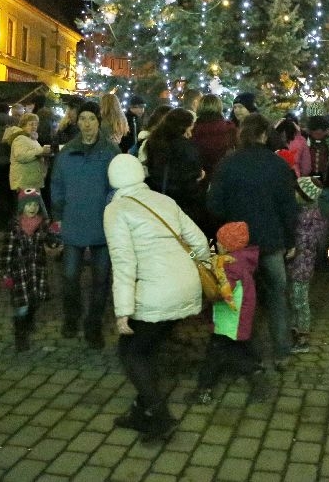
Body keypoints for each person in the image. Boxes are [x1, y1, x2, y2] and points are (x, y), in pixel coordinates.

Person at [104, 154, 210, 443]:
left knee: (131, 351)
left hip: (157, 293)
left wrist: (123, 311)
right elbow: (199, 242)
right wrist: (206, 271)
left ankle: (159, 415)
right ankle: (142, 410)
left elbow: (124, 262)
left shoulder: (116, 211)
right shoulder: (164, 201)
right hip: (186, 286)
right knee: (145, 347)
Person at [208, 113, 299, 367]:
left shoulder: (228, 164)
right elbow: (288, 208)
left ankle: (250, 353)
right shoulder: (278, 165)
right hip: (271, 242)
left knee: (242, 297)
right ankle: (281, 351)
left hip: (238, 244)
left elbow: (214, 205)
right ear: (263, 134)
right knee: (277, 296)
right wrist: (291, 240)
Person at [51, 101, 120, 346]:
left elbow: (118, 186)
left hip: (102, 225)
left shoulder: (110, 152)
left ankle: (93, 323)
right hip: (74, 223)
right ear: (77, 122)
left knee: (101, 279)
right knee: (70, 276)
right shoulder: (67, 152)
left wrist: (111, 208)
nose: (87, 124)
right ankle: (72, 317)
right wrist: (58, 215)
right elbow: (57, 186)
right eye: (83, 119)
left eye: (91, 118)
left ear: (98, 121)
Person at [191, 221, 270, 405]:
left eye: (219, 242)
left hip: (230, 318)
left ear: (229, 245)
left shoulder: (229, 265)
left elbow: (222, 290)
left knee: (218, 352)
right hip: (238, 315)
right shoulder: (242, 259)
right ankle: (257, 374)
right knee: (238, 348)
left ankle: (205, 390)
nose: (216, 245)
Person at [1, 189, 53, 352]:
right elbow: (7, 251)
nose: (32, 208)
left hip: (36, 270)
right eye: (28, 204)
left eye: (35, 205)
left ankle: (29, 320)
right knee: (21, 305)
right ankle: (20, 334)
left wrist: (55, 239)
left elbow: (49, 241)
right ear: (21, 207)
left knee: (34, 300)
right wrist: (6, 273)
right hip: (20, 273)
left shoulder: (42, 225)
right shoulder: (14, 228)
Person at [289, 177, 329, 351]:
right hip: (300, 263)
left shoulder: (308, 216)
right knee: (294, 297)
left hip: (301, 264)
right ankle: (295, 327)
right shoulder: (309, 212)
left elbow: (305, 241)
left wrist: (293, 247)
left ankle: (303, 336)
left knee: (300, 300)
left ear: (303, 195)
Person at [143, 107, 205, 225]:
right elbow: (192, 174)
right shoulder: (186, 147)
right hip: (184, 201)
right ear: (184, 126)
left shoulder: (153, 141)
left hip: (159, 197)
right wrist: (200, 174)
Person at [191, 94, 238, 183]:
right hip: (224, 176)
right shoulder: (229, 128)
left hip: (200, 178)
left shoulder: (194, 129)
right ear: (219, 107)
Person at [4, 113, 51, 198]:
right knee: (25, 209)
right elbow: (21, 156)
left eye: (36, 124)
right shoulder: (20, 138)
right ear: (23, 125)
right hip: (24, 183)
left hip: (30, 181)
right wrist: (41, 151)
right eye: (31, 124)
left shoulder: (31, 139)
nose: (34, 126)